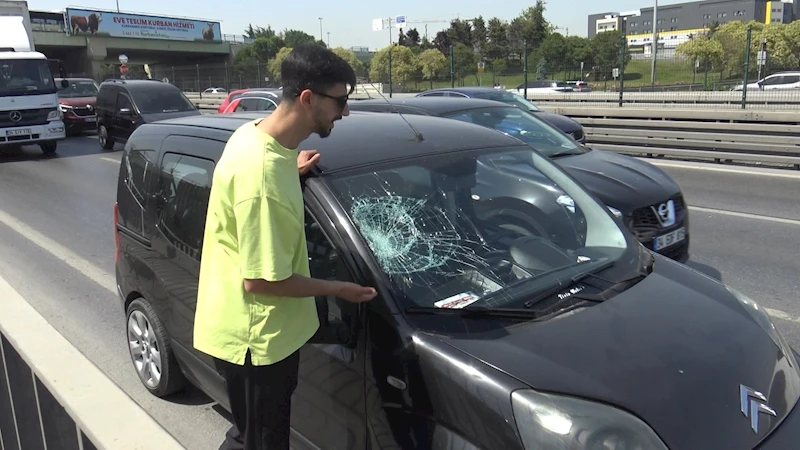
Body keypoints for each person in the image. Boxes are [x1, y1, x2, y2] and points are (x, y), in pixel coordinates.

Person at [193, 44, 378, 450]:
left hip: (252, 331)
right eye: (341, 101)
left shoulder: (257, 139)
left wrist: (285, 174)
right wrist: (338, 289)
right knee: (261, 442)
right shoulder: (263, 177)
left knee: (248, 434)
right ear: (308, 98)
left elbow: (259, 182)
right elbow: (261, 281)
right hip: (256, 341)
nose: (345, 112)